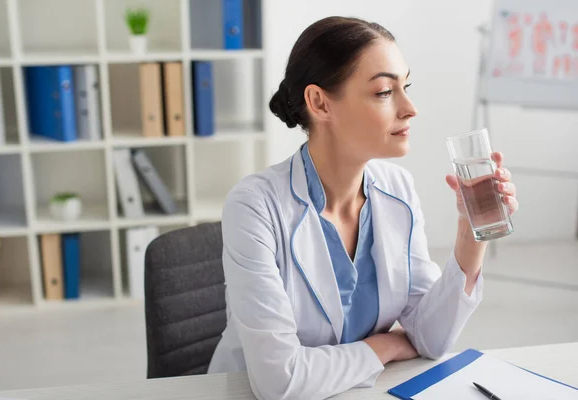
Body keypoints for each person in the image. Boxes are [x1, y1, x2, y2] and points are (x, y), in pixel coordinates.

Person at [207, 16, 519, 400]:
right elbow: (279, 381)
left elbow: (430, 337)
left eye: (406, 86)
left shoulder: (397, 190)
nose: (410, 108)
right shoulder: (255, 206)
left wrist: (472, 229)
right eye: (385, 92)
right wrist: (384, 346)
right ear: (320, 102)